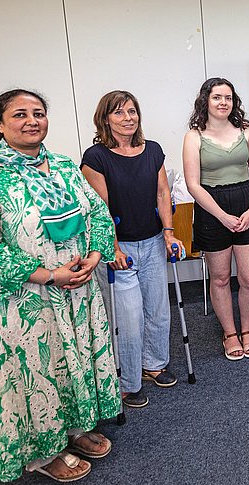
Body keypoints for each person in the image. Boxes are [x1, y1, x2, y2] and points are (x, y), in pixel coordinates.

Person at [0, 89, 119, 482]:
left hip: (76, 289)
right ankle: (41, 453)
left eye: (39, 113)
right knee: (35, 371)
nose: (32, 121)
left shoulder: (62, 166)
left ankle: (74, 430)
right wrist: (49, 275)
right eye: (20, 115)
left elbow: (98, 214)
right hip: (22, 299)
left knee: (72, 360)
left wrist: (94, 257)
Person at [81, 90, 183, 409]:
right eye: (119, 113)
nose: (128, 118)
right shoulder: (95, 157)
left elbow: (163, 193)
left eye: (132, 111)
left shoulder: (152, 150)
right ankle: (127, 382)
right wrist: (110, 247)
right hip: (118, 247)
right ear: (105, 119)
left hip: (152, 241)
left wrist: (169, 234)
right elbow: (99, 209)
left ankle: (154, 364)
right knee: (128, 317)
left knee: (158, 310)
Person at [182, 77, 249, 361]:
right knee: (219, 279)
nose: (223, 103)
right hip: (211, 207)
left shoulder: (245, 130)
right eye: (217, 97)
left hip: (245, 203)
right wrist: (222, 216)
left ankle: (247, 330)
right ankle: (229, 334)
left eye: (228, 97)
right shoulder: (194, 136)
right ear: (206, 100)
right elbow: (193, 184)